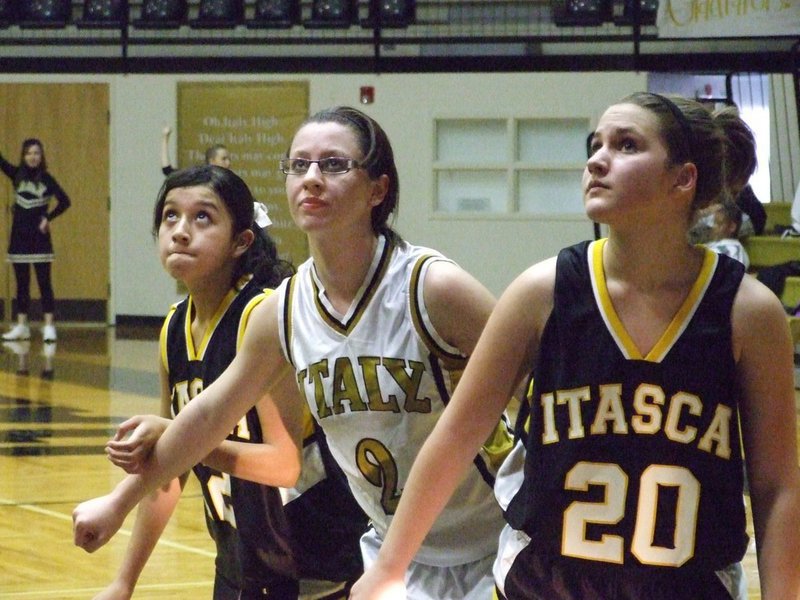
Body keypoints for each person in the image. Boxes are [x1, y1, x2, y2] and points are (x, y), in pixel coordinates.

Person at [349, 92, 800, 600]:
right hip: (544, 584)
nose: (597, 159)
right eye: (596, 144)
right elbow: (455, 438)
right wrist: (389, 566)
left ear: (683, 178)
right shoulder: (542, 291)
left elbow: (776, 487)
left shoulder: (748, 310)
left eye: (626, 145)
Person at [74, 106, 513, 599]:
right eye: (299, 165)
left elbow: (541, 386)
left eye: (333, 165)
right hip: (396, 547)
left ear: (378, 189)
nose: (312, 178)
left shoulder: (432, 287)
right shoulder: (283, 311)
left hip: (494, 540)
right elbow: (208, 416)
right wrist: (118, 502)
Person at [91, 165, 366, 600]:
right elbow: (168, 468)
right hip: (241, 559)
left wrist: (182, 438)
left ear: (242, 241)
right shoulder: (173, 328)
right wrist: (124, 581)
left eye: (203, 217)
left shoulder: (261, 318)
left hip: (309, 558)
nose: (181, 231)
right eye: (169, 216)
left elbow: (283, 464)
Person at [0, 138, 71, 343]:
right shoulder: (16, 175)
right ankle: (22, 326)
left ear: (42, 156)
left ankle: (49, 326)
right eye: (29, 153)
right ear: (23, 156)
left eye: (37, 153)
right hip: (19, 238)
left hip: (40, 240)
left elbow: (65, 201)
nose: (33, 157)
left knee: (44, 283)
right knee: (21, 284)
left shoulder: (47, 179)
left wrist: (48, 218)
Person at [161, 125, 231, 176]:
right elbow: (168, 170)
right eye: (224, 159)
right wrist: (165, 138)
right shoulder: (200, 178)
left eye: (229, 159)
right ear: (212, 161)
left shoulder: (232, 182)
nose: (228, 163)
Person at [705, 201, 750, 269]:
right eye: (714, 223)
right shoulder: (723, 246)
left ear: (732, 227)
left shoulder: (729, 251)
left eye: (718, 224)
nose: (713, 227)